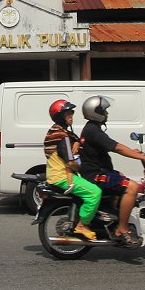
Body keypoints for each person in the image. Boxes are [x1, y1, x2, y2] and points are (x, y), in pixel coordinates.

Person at [77, 95, 145, 249]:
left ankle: (112, 220)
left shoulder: (92, 129)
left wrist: (136, 153)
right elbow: (117, 147)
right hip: (96, 175)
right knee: (132, 187)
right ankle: (122, 229)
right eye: (104, 111)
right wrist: (141, 156)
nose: (107, 114)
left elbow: (115, 146)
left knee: (120, 182)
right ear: (96, 112)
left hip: (98, 172)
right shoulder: (93, 131)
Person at [43, 99, 100, 241]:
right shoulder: (62, 137)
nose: (71, 115)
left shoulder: (56, 132)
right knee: (95, 193)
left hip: (56, 175)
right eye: (67, 113)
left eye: (71, 112)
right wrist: (79, 165)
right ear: (59, 116)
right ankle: (82, 225)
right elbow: (71, 163)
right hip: (62, 177)